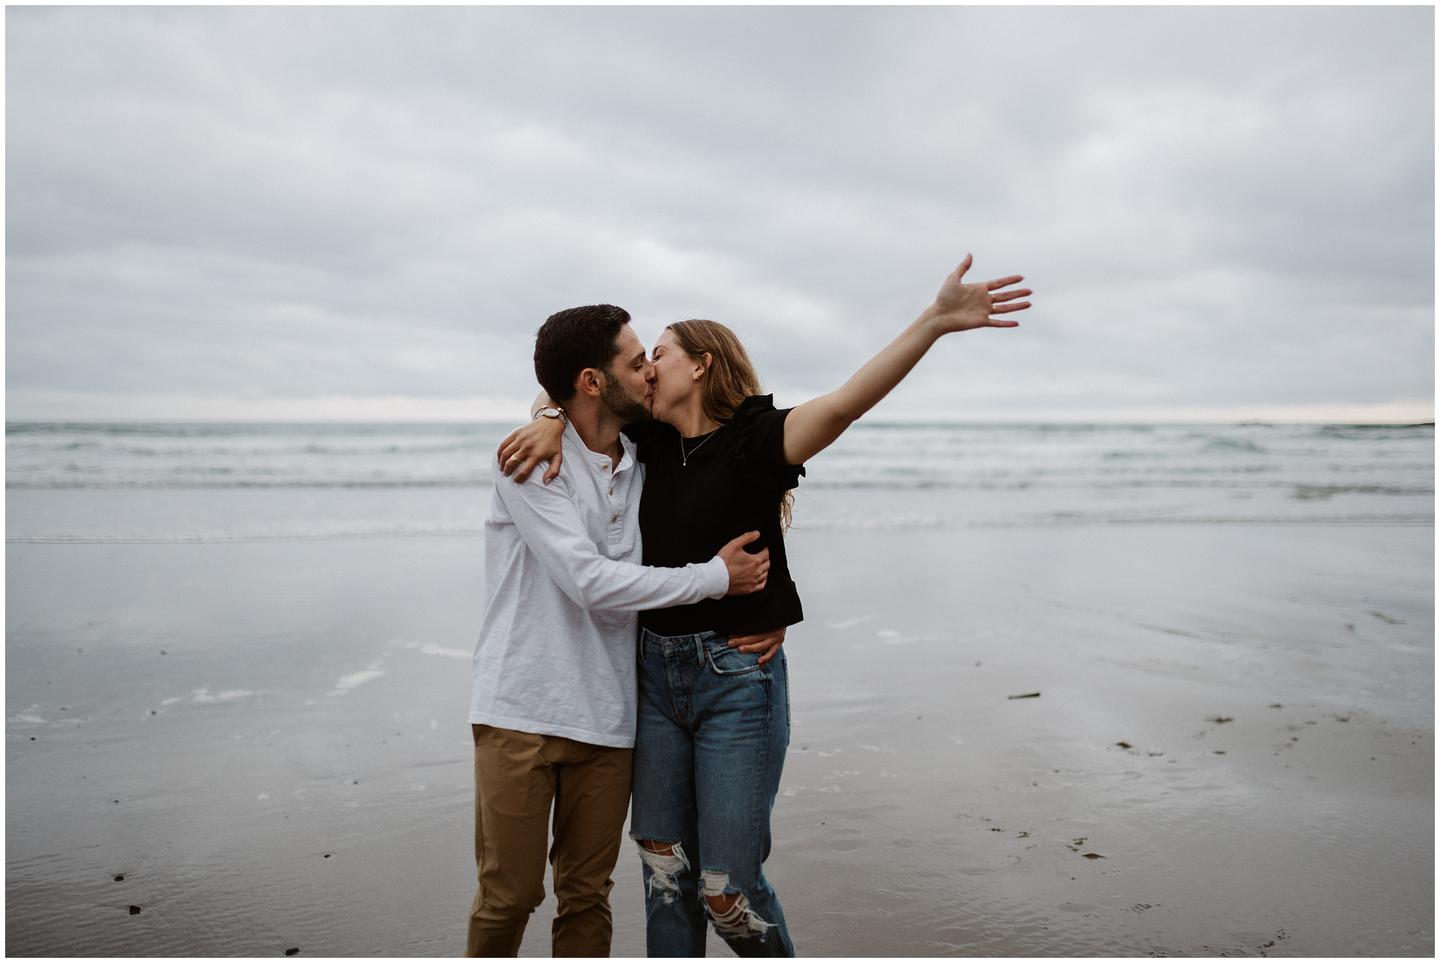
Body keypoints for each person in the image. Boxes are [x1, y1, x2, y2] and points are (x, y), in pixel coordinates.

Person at [498, 255, 1032, 956]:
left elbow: (844, 403)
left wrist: (931, 324)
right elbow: (583, 401)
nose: (649, 369)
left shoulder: (757, 439)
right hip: (653, 681)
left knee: (727, 889)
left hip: (736, 681)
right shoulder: (646, 441)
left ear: (704, 365)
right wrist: (543, 416)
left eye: (659, 354)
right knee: (665, 874)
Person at [466, 303, 777, 957]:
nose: (648, 373)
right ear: (591, 381)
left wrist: (762, 608)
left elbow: (723, 491)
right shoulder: (527, 461)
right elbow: (591, 581)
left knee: (586, 897)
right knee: (510, 898)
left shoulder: (646, 456)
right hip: (521, 711)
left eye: (650, 358)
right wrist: (715, 579)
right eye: (636, 362)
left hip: (610, 720)